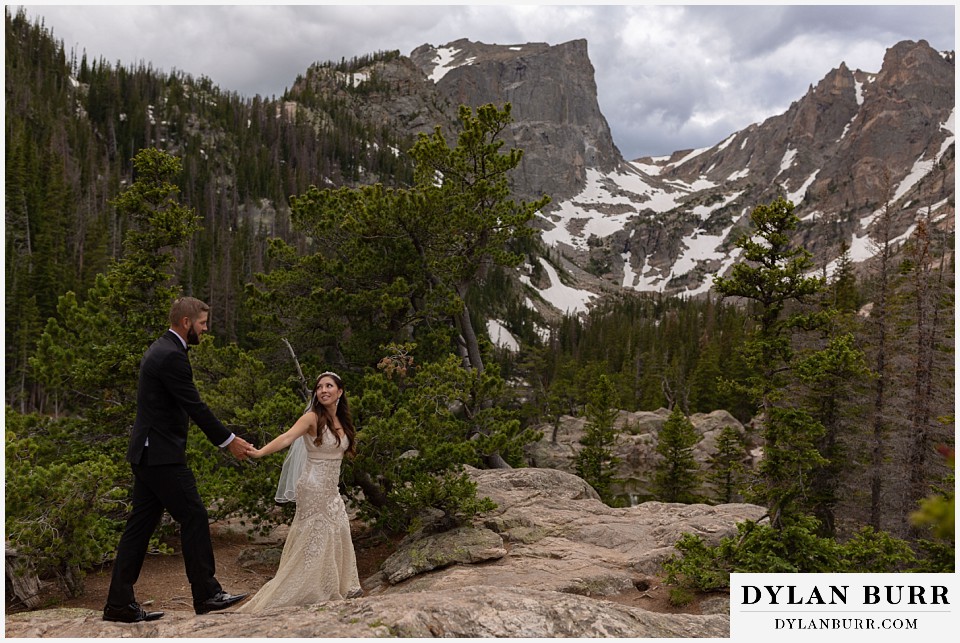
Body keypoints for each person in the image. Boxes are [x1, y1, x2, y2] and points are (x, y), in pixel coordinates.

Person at [103, 296, 253, 623]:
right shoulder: (171, 356)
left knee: (139, 529)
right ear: (186, 323)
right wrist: (229, 441)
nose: (206, 328)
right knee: (195, 515)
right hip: (160, 456)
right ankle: (207, 594)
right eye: (202, 323)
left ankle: (118, 603)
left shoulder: (162, 349)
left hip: (146, 454)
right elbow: (195, 406)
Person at [237, 371, 362, 613]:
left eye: (329, 386)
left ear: (340, 391)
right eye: (319, 387)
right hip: (313, 486)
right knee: (316, 534)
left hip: (330, 488)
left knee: (338, 529)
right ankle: (306, 589)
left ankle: (332, 585)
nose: (323, 390)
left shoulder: (343, 421)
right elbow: (287, 438)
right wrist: (261, 452)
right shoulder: (312, 418)